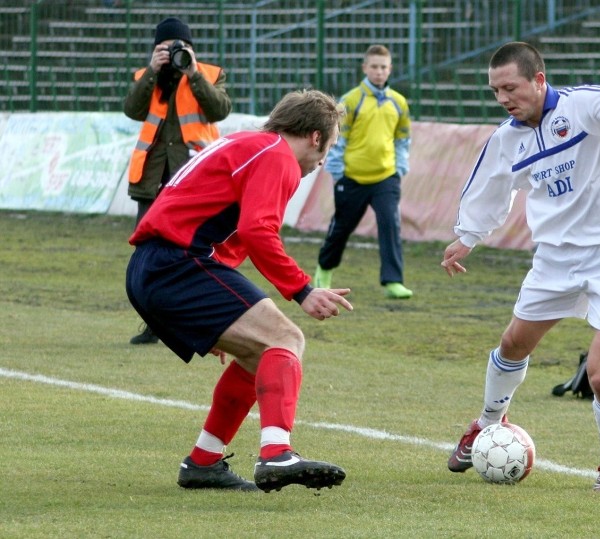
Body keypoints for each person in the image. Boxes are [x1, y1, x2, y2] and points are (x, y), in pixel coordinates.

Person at [442, 42, 600, 492]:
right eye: (495, 90)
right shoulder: (507, 138)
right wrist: (466, 237)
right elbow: (488, 187)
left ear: (538, 79)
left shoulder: (584, 105)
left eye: (511, 87)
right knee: (512, 344)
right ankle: (486, 423)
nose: (503, 97)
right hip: (556, 258)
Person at [126, 89, 352, 493]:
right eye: (329, 146)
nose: (322, 162)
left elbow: (231, 236)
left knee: (255, 353)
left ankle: (203, 462)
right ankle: (277, 453)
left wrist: (219, 317)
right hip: (176, 264)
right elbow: (256, 230)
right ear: (316, 137)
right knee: (286, 338)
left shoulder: (247, 143)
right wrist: (302, 290)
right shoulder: (277, 155)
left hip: (156, 267)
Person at [124, 17, 231, 345]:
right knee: (148, 254)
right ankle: (154, 325)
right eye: (164, 48)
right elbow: (132, 109)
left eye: (178, 47)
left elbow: (220, 110)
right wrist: (153, 70)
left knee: (193, 252)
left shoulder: (209, 74)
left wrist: (193, 73)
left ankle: (199, 320)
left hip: (194, 180)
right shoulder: (147, 76)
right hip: (153, 180)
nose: (172, 53)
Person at [314, 44, 414, 299]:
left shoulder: (399, 102)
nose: (379, 72)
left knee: (390, 224)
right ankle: (324, 269)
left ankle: (393, 281)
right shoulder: (351, 100)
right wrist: (338, 172)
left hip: (386, 177)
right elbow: (337, 139)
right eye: (374, 67)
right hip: (352, 178)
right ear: (365, 68)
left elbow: (402, 139)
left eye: (384, 67)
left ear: (390, 69)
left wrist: (399, 168)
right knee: (341, 228)